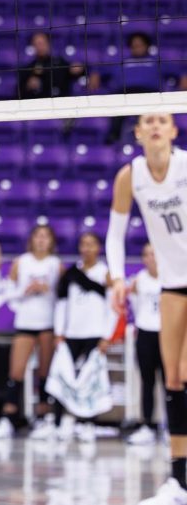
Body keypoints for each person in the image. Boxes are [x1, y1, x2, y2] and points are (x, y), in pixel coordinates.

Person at [108, 114, 187, 503]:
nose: (155, 125)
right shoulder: (131, 176)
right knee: (173, 381)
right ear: (138, 132)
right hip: (173, 284)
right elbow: (115, 235)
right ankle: (179, 481)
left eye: (163, 120)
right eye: (147, 120)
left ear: (174, 130)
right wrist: (117, 277)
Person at [43, 232, 113, 444]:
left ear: (98, 248)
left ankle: (88, 423)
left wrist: (106, 336)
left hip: (94, 333)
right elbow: (62, 304)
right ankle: (57, 422)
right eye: (83, 244)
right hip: (71, 333)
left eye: (91, 244)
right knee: (62, 375)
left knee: (91, 379)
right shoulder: (71, 273)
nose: (87, 248)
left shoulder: (105, 273)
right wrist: (59, 332)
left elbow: (112, 307)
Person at [0, 224, 60, 438]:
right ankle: (8, 417)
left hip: (47, 323)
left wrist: (47, 290)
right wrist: (25, 291)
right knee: (16, 372)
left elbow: (62, 296)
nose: (41, 240)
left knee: (45, 372)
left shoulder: (55, 265)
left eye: (45, 236)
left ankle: (44, 418)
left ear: (51, 241)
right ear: (31, 240)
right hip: (26, 323)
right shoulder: (21, 262)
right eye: (37, 236)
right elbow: (7, 294)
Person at [127, 243, 163, 447]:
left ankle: (171, 428)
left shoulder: (171, 278)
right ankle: (147, 426)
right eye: (147, 254)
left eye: (154, 253)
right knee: (147, 381)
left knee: (171, 383)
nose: (151, 258)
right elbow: (134, 305)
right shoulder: (139, 280)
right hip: (146, 333)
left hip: (167, 333)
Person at [18, 31, 84, 100]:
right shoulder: (28, 68)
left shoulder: (60, 62)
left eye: (42, 43)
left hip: (62, 102)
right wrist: (28, 86)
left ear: (48, 44)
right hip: (40, 105)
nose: (40, 47)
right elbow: (19, 92)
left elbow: (77, 73)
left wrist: (79, 69)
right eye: (37, 44)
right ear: (33, 46)